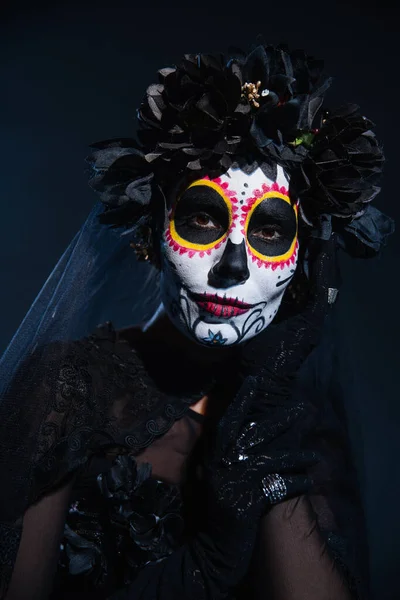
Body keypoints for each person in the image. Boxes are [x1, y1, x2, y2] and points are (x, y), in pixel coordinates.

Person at [0, 43, 394, 600]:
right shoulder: (69, 392)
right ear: (152, 233)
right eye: (204, 218)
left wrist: (265, 409)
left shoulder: (300, 430)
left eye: (270, 231)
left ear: (305, 262)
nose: (232, 267)